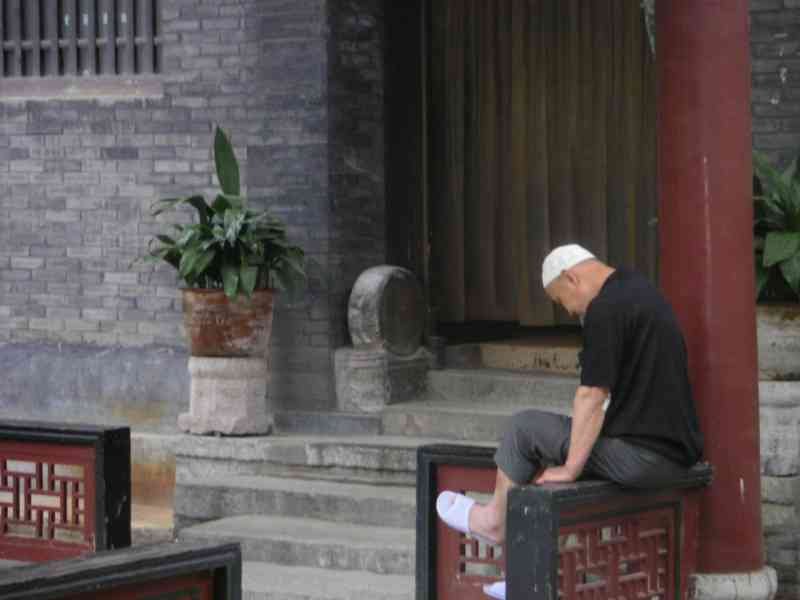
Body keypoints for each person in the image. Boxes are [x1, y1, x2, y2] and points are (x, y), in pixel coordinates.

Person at [436, 244, 704, 600]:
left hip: (644, 458)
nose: (569, 310)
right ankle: (524, 574)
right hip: (673, 455)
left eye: (562, 300)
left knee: (524, 429)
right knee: (546, 456)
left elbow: (592, 395)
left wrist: (572, 467)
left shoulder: (605, 309)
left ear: (571, 277)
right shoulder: (640, 290)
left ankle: (495, 523)